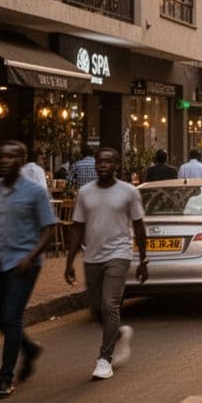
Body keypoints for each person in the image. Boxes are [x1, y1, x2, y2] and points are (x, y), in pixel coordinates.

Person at [0, 141, 55, 399]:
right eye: (1, 157)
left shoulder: (35, 192)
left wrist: (31, 256)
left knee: (11, 315)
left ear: (22, 160)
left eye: (11, 157)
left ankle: (5, 378)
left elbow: (49, 229)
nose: (4, 161)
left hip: (23, 264)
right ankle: (29, 349)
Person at [65, 148, 147, 381]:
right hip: (92, 255)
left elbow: (139, 227)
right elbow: (77, 227)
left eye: (108, 162)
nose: (103, 165)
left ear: (116, 166)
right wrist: (70, 261)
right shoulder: (84, 193)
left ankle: (104, 359)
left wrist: (143, 260)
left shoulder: (128, 192)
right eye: (100, 162)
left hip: (119, 254)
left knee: (109, 304)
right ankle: (119, 332)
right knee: (97, 310)